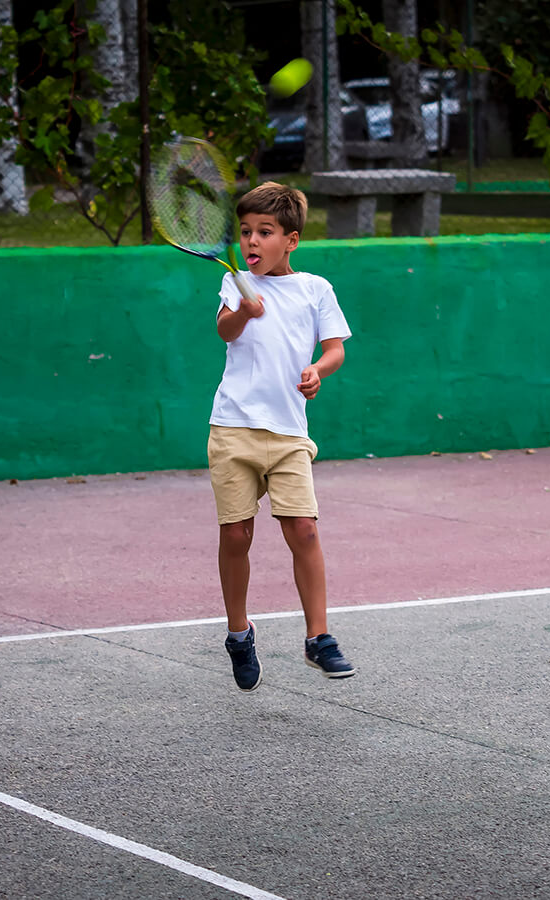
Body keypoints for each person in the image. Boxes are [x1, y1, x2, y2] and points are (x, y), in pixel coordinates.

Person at [209, 181, 354, 691]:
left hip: (290, 433)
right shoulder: (236, 283)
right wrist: (244, 312)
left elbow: (335, 349)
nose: (252, 241)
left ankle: (319, 638)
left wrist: (318, 370)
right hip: (232, 427)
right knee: (236, 535)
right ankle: (238, 633)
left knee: (305, 530)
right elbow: (225, 330)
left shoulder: (315, 289)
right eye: (246, 231)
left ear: (290, 240)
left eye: (265, 232)